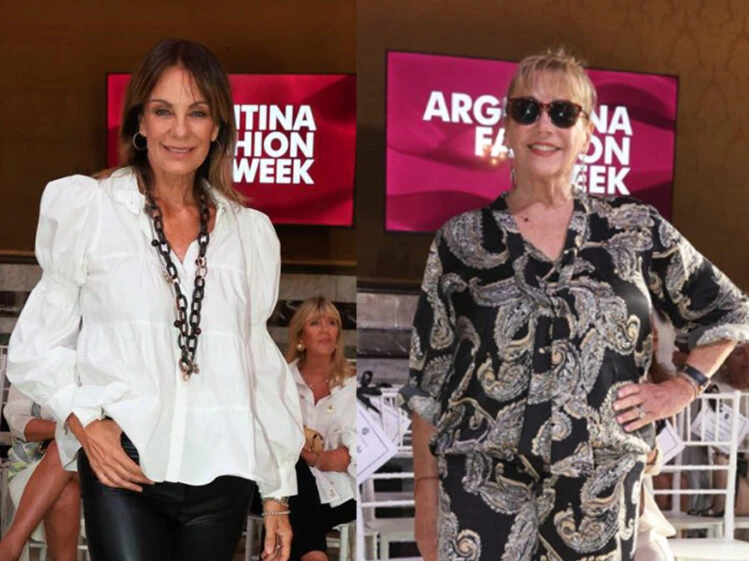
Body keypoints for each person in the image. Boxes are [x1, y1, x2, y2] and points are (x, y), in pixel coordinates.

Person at [400, 47, 749, 561]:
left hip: (600, 486)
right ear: (506, 126)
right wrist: (425, 490)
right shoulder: (462, 241)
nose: (544, 124)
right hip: (479, 486)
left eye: (563, 112)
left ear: (587, 131)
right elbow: (428, 381)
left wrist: (683, 387)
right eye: (527, 109)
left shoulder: (634, 229)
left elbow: (730, 309)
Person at [6, 39, 303, 561]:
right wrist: (84, 421)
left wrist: (277, 495)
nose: (180, 131)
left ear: (218, 128)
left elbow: (258, 364)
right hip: (124, 462)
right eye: (164, 111)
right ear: (140, 122)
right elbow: (37, 345)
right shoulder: (92, 210)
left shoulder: (250, 234)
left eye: (198, 113)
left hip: (223, 469)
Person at [284, 297, 356, 561]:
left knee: (288, 513)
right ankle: (315, 555)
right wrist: (322, 458)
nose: (326, 330)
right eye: (315, 323)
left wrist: (313, 457)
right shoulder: (281, 380)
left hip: (339, 494)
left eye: (332, 323)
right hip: (283, 487)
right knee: (291, 476)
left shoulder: (353, 385)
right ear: (300, 335)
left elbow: (353, 455)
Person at [0, 386, 81, 561]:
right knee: (66, 490)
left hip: (95, 469)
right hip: (33, 468)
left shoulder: (100, 371)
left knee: (60, 449)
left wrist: (67, 434)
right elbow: (17, 421)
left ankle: (10, 545)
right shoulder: (30, 370)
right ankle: (10, 547)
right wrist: (72, 431)